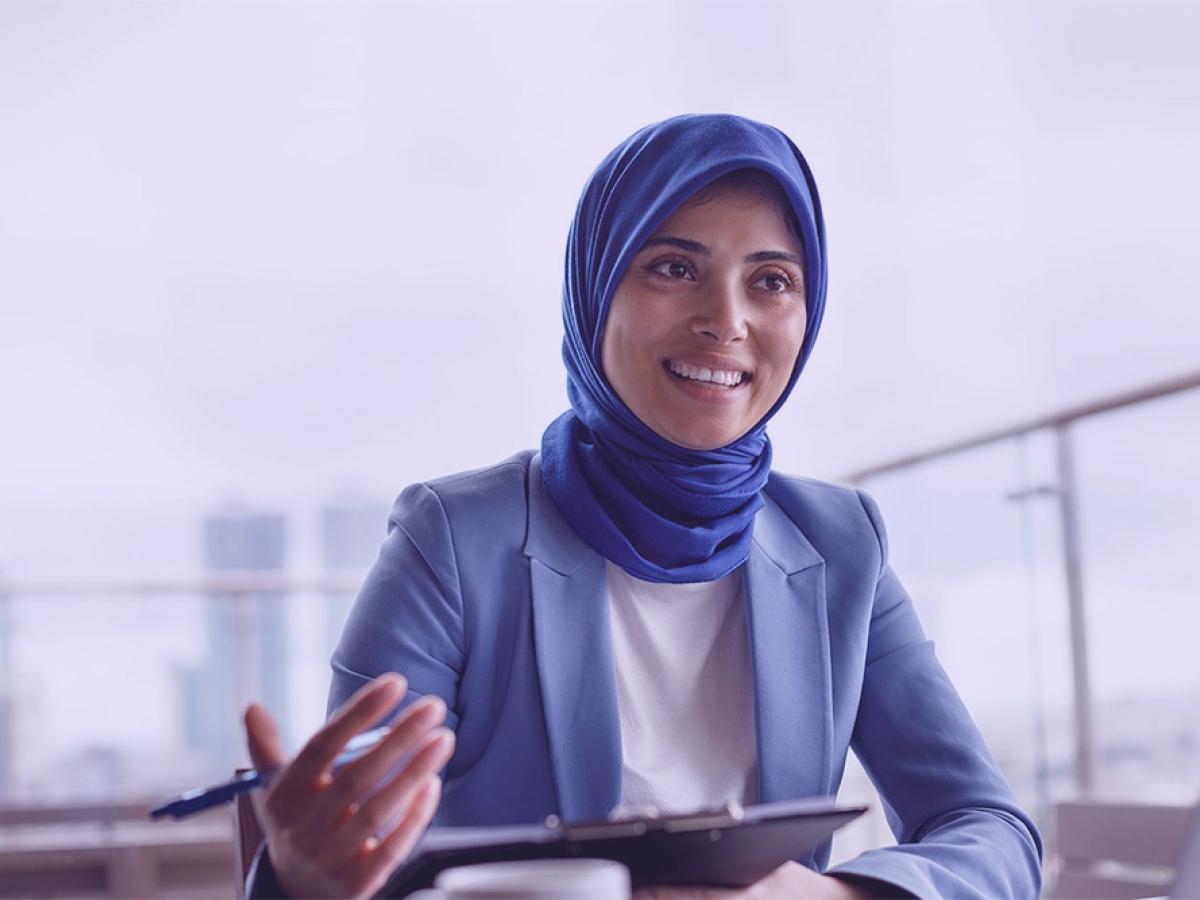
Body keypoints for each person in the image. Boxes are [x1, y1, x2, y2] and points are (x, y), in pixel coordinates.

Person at [243, 114, 1043, 899]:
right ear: (596, 291)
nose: (725, 321)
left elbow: (991, 829)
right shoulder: (450, 541)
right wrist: (304, 881)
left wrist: (827, 898)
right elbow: (356, 846)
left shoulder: (842, 546)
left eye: (771, 281)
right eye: (673, 268)